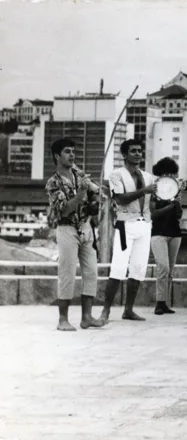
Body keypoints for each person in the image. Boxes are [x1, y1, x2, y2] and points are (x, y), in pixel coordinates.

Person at [45, 138, 103, 331]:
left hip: (86, 227)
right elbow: (64, 210)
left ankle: (87, 317)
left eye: (73, 151)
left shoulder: (79, 175)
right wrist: (82, 194)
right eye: (67, 151)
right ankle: (63, 319)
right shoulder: (53, 183)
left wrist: (94, 202)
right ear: (57, 156)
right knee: (67, 273)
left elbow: (96, 193)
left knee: (91, 272)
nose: (72, 155)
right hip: (67, 229)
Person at [98, 139, 157, 324]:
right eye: (133, 151)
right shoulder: (116, 174)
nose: (138, 154)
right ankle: (106, 311)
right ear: (124, 154)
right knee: (118, 267)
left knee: (138, 269)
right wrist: (145, 191)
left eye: (140, 150)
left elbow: (152, 204)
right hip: (125, 225)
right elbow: (120, 199)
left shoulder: (148, 177)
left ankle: (128, 310)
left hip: (144, 225)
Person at [149, 157, 185, 316]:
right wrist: (170, 204)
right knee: (162, 267)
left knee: (169, 270)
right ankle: (159, 302)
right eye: (166, 173)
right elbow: (153, 213)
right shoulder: (154, 190)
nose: (169, 176)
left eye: (171, 173)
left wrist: (176, 200)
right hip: (158, 233)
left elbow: (179, 214)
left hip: (175, 232)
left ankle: (164, 303)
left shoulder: (175, 190)